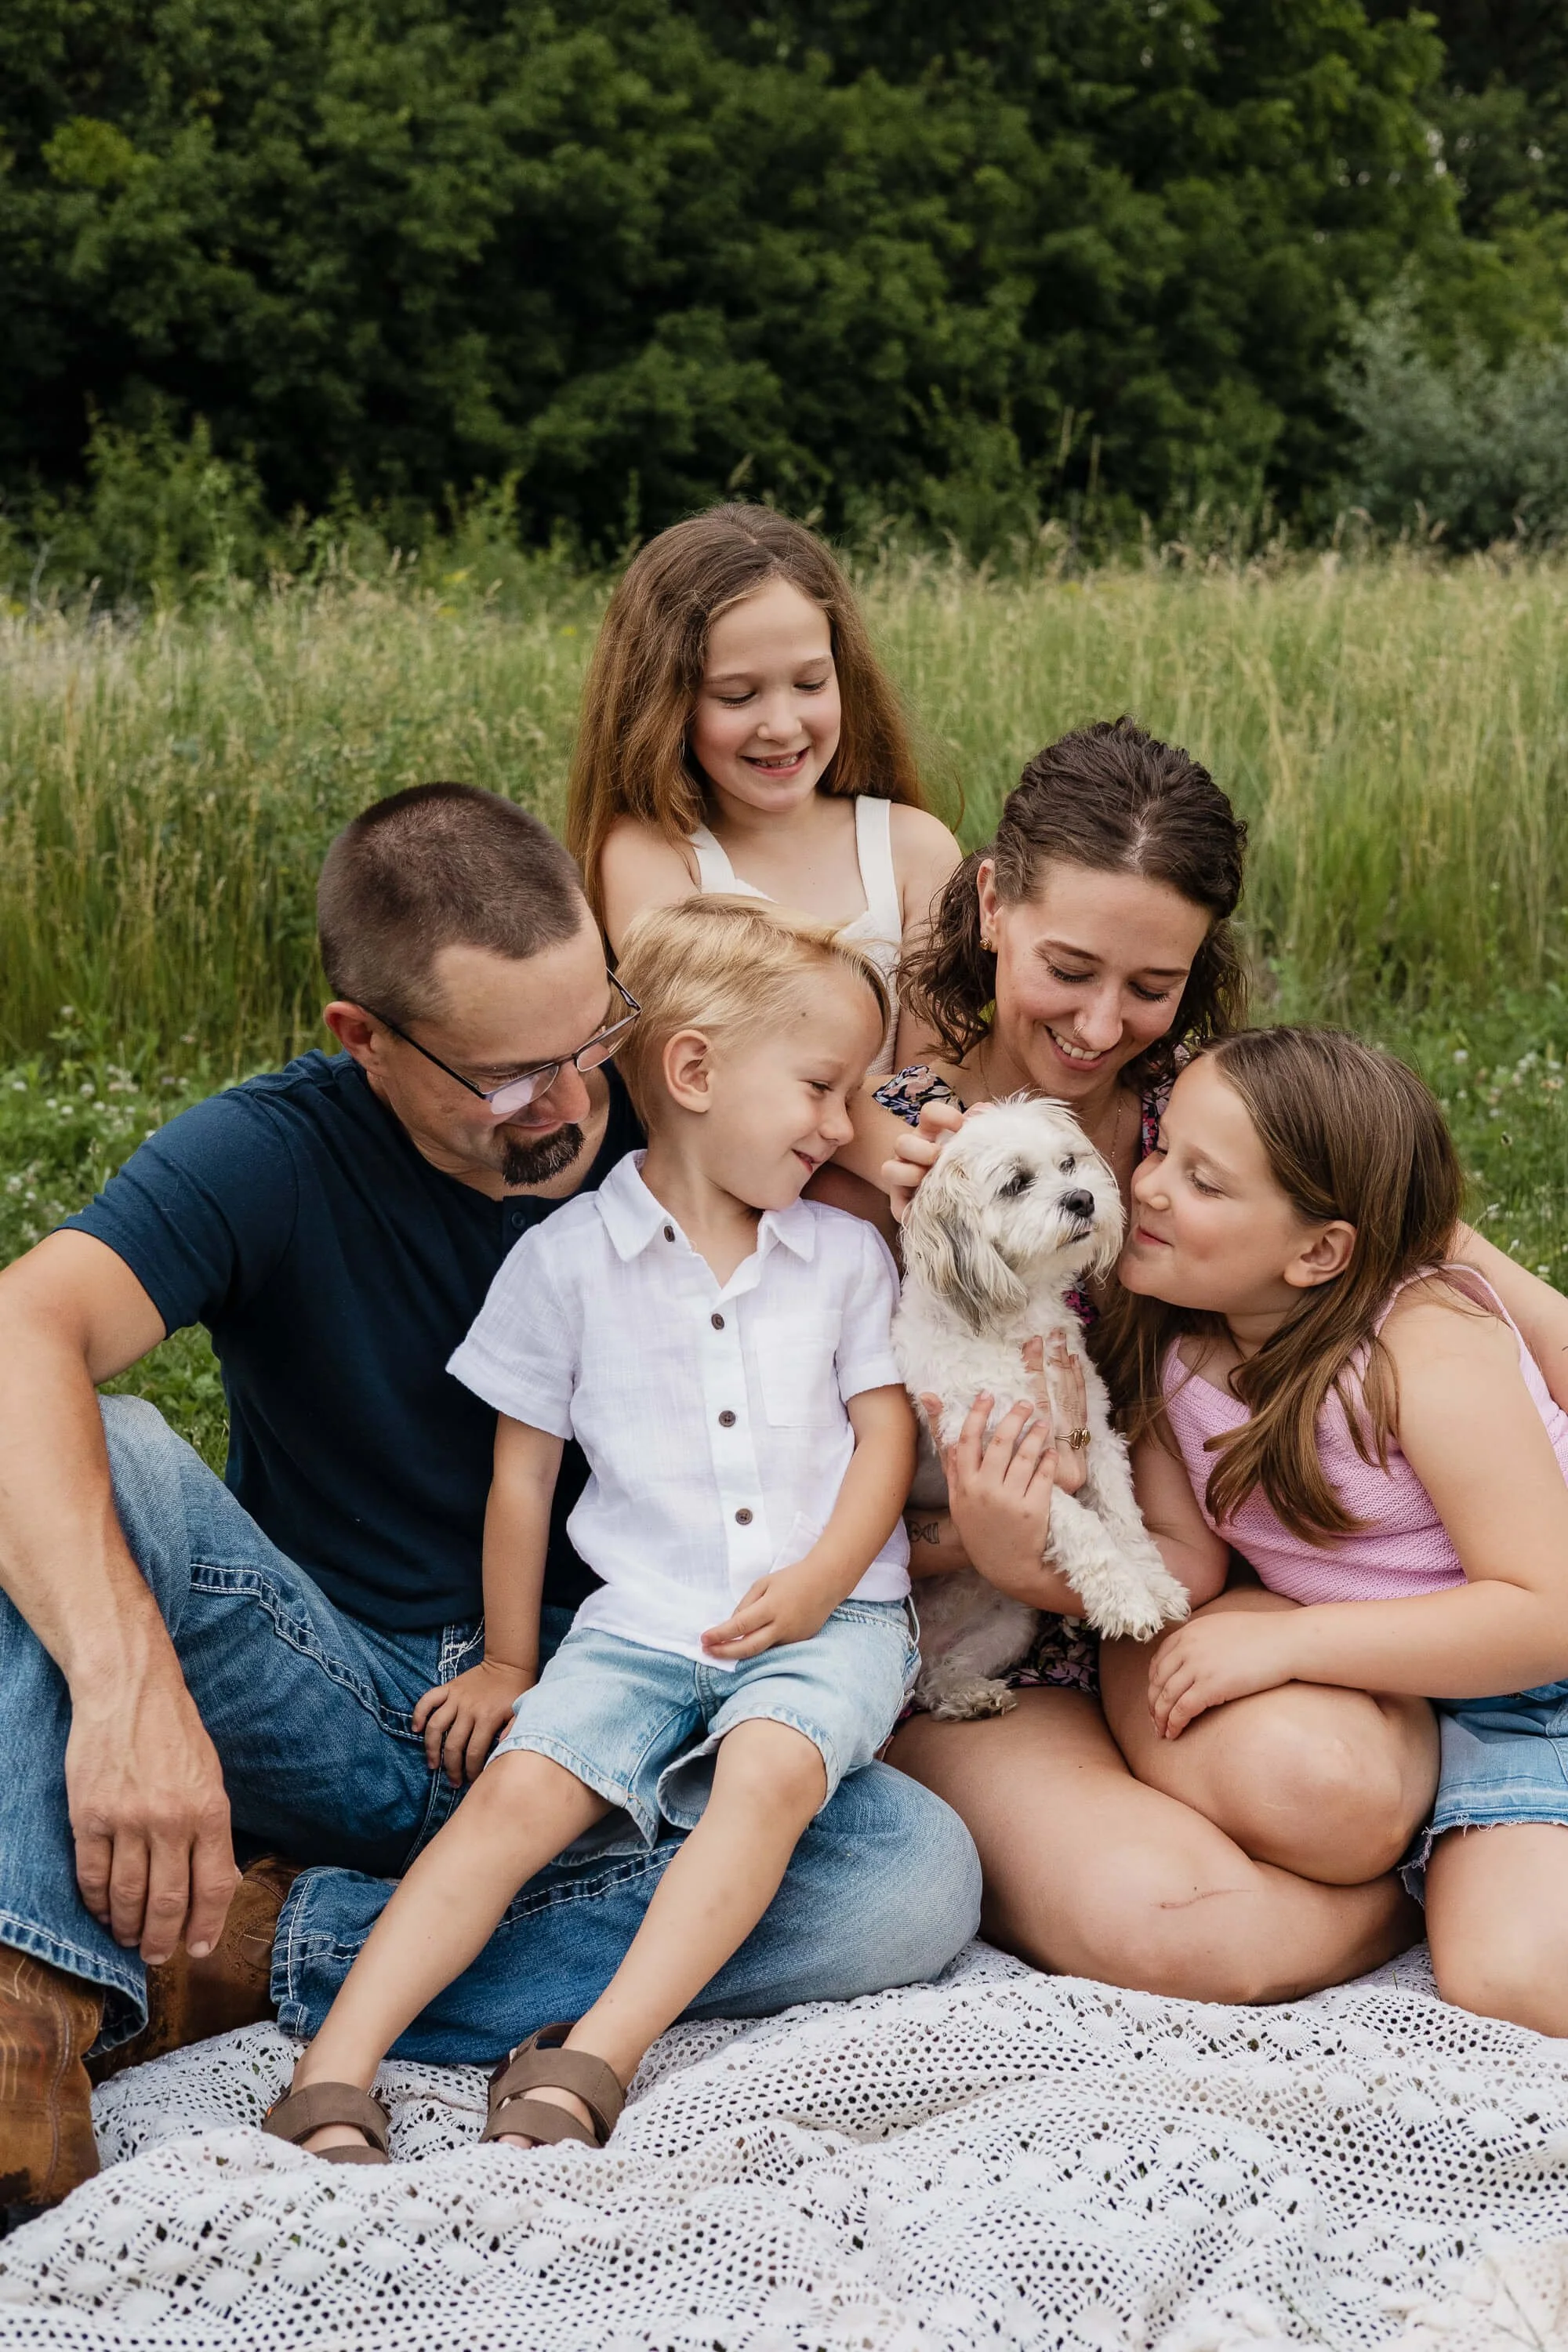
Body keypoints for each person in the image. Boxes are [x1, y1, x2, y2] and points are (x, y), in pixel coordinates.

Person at [0, 785, 979, 2212]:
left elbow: (864, 1092)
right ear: (367, 1042)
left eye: (597, 1039)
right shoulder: (270, 1153)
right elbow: (25, 1331)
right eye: (513, 1078)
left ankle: (248, 1949)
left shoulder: (707, 1109)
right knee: (102, 1444)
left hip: (619, 1713)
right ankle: (27, 1992)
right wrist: (124, 1680)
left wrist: (888, 1157)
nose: (577, 1102)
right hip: (335, 1689)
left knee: (908, 1876)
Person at [844, 717, 1568, 2005]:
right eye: (1070, 967)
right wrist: (845, 1130)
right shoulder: (880, 1099)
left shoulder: (1201, 1118)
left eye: (1151, 986)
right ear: (994, 901)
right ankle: (1436, 1889)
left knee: (1333, 1800)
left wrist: (1437, 1254)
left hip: (1177, 1582)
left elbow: (1457, 1280)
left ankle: (1464, 1854)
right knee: (1187, 1931)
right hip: (951, 1621)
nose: (1100, 1024)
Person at [264, 899, 919, 2161]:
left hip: (832, 1622)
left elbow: (883, 1434)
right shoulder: (565, 1261)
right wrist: (513, 1664)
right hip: (639, 1624)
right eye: (825, 1089)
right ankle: (333, 2071)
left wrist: (826, 1575)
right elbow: (524, 1482)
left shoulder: (842, 1255)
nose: (845, 1128)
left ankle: (593, 2053)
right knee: (516, 1798)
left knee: (771, 1775)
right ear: (695, 1070)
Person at [1105, 1028, 1568, 2037]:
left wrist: (1285, 1641)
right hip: (1443, 1699)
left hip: (1534, 1678)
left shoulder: (1421, 1343)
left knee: (1514, 1981)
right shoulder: (1172, 1353)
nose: (1144, 1187)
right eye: (1158, 1149)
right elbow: (1181, 1563)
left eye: (1202, 1182)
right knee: (1507, 1973)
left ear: (1317, 1251)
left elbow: (1544, 1614)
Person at [565, 503, 962, 1078]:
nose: (781, 725)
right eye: (736, 696)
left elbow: (928, 1083)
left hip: (898, 1166)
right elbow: (735, 1077)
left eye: (810, 683)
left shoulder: (916, 849)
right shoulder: (649, 856)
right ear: (665, 706)